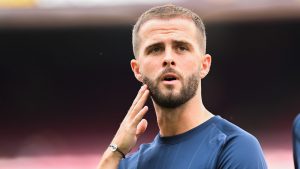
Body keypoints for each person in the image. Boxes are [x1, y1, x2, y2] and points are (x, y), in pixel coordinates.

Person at [97, 4, 267, 169]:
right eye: (155, 49)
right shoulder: (130, 164)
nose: (169, 58)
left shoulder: (234, 148)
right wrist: (114, 151)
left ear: (204, 65)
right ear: (137, 69)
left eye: (181, 48)